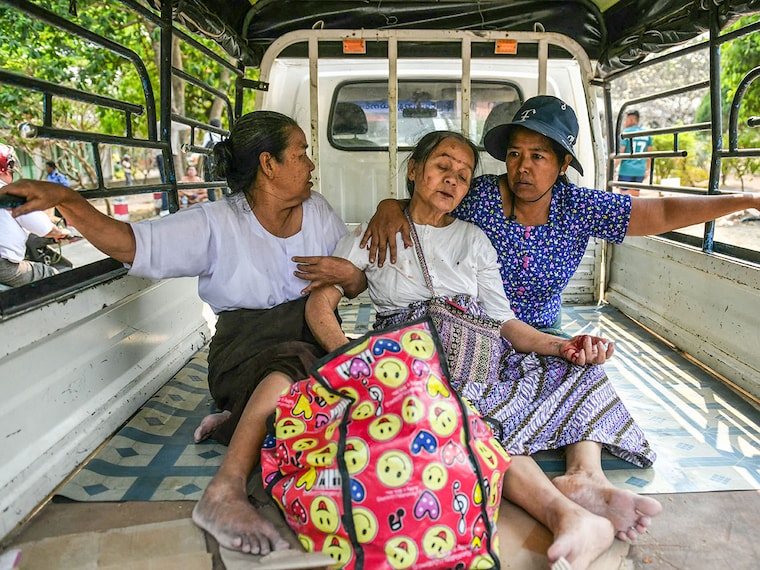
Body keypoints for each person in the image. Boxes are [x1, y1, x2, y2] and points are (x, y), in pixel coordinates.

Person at [1, 111, 364, 554]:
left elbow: (355, 281)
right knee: (294, 368)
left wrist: (347, 274)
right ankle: (225, 490)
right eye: (301, 154)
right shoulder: (215, 222)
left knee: (331, 396)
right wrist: (70, 202)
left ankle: (238, 420)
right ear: (269, 164)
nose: (310, 165)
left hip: (312, 335)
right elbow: (131, 243)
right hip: (244, 348)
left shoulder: (319, 212)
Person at [305, 130, 656, 569]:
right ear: (413, 171)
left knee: (580, 369)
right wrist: (352, 361)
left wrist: (564, 345)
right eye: (441, 167)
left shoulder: (474, 239)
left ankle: (585, 478)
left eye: (464, 176)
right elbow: (321, 302)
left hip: (484, 354)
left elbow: (504, 323)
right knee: (461, 410)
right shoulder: (376, 231)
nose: (452, 180)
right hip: (417, 359)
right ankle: (562, 513)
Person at [350, 95, 760, 334]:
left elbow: (664, 208)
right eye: (514, 154)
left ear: (563, 164)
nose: (522, 167)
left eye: (539, 156)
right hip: (475, 332)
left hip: (542, 333)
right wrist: (390, 206)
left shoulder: (579, 208)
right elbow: (431, 201)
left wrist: (746, 201)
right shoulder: (481, 195)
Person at [1, 145, 71, 287]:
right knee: (51, 274)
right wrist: (59, 232)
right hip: (5, 268)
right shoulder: (8, 193)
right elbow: (42, 227)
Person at [615, 110, 652, 196]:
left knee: (623, 197)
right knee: (636, 196)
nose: (625, 122)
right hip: (640, 170)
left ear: (631, 120)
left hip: (626, 170)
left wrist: (613, 169)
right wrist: (647, 170)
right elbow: (649, 155)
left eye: (626, 119)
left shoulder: (626, 133)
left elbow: (621, 153)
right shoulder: (646, 134)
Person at [202, 118, 224, 201]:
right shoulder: (224, 134)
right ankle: (228, 205)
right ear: (220, 126)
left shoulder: (208, 135)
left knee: (210, 187)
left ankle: (212, 203)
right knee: (224, 186)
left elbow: (203, 150)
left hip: (209, 164)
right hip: (222, 163)